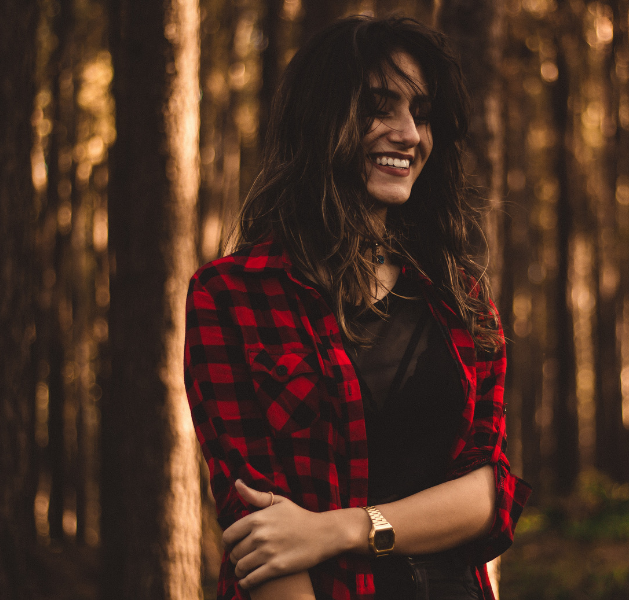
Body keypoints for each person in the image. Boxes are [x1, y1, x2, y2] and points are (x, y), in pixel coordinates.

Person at [184, 15, 530, 600]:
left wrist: (339, 530)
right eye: (379, 107)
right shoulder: (231, 296)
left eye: (420, 113)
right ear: (321, 121)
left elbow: (485, 496)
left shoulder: (460, 298)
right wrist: (326, 540)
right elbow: (261, 533)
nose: (410, 134)